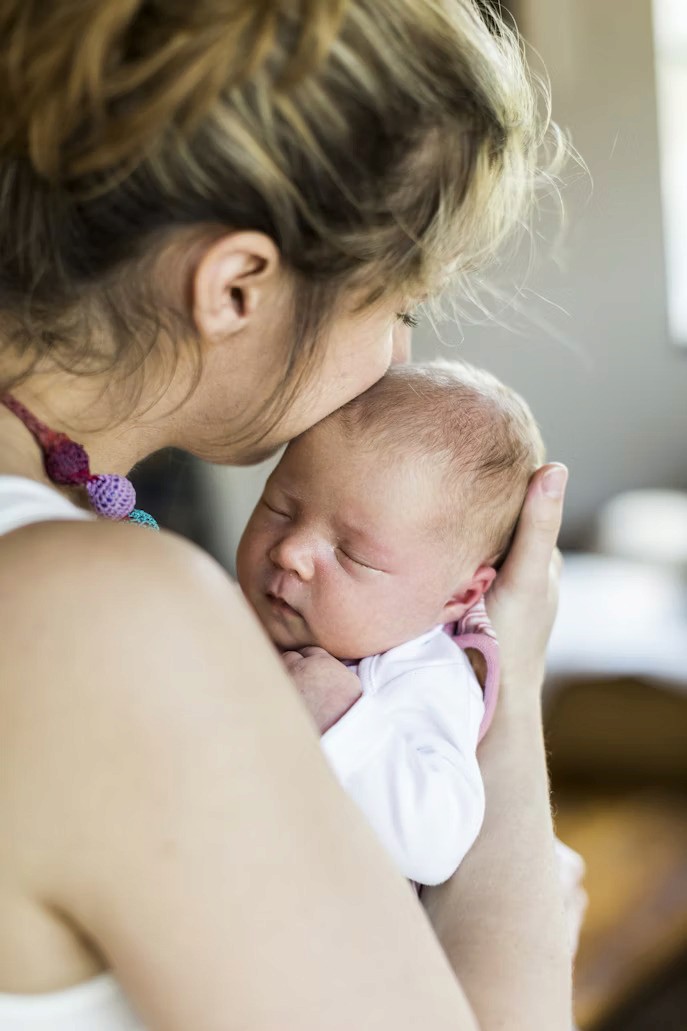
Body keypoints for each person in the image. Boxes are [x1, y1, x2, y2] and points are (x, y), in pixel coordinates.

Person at [0, 3, 572, 1030]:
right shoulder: (103, 620)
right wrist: (511, 673)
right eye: (395, 301)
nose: (398, 353)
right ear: (236, 287)